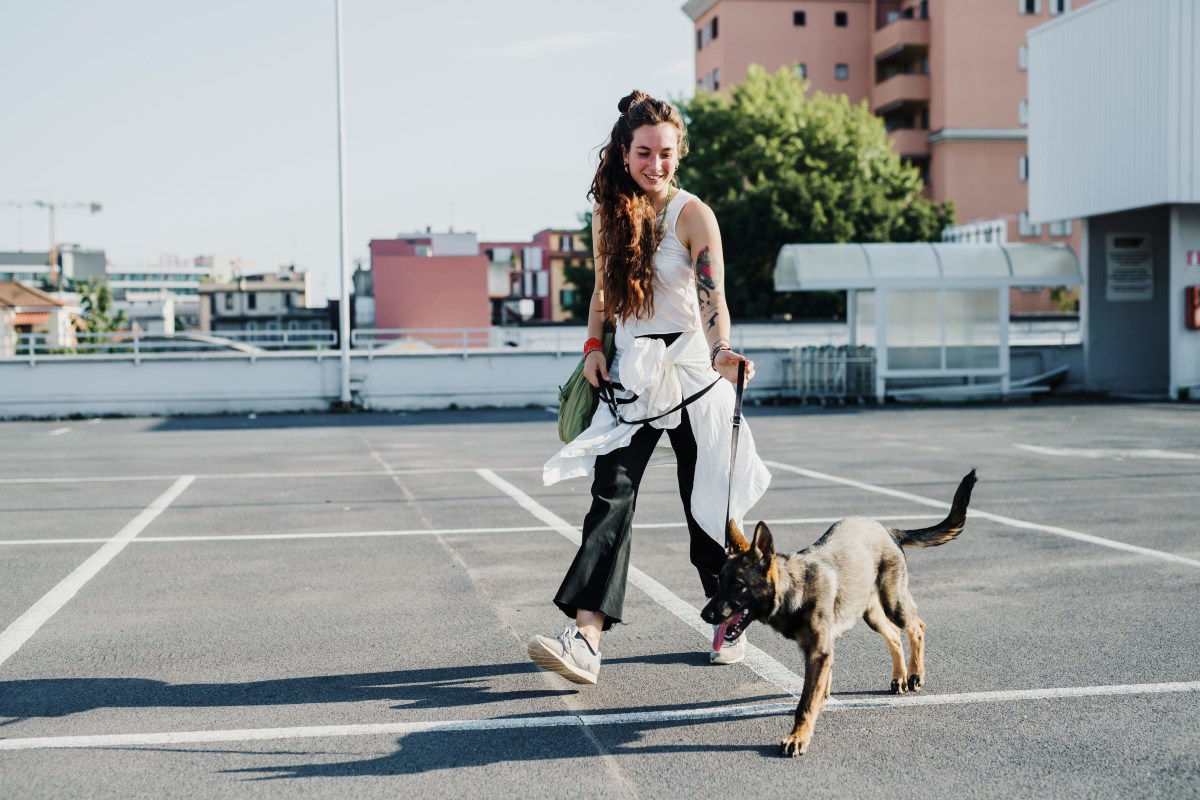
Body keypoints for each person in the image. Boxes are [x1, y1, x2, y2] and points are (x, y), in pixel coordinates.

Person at [526, 90, 771, 685]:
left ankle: (731, 612)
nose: (654, 165)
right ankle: (585, 638)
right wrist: (591, 347)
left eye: (664, 153)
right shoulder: (608, 212)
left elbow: (713, 295)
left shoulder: (693, 214)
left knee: (707, 506)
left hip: (692, 372)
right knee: (610, 495)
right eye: (643, 153)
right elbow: (602, 294)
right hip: (633, 374)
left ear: (678, 154)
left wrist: (721, 351)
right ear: (624, 151)